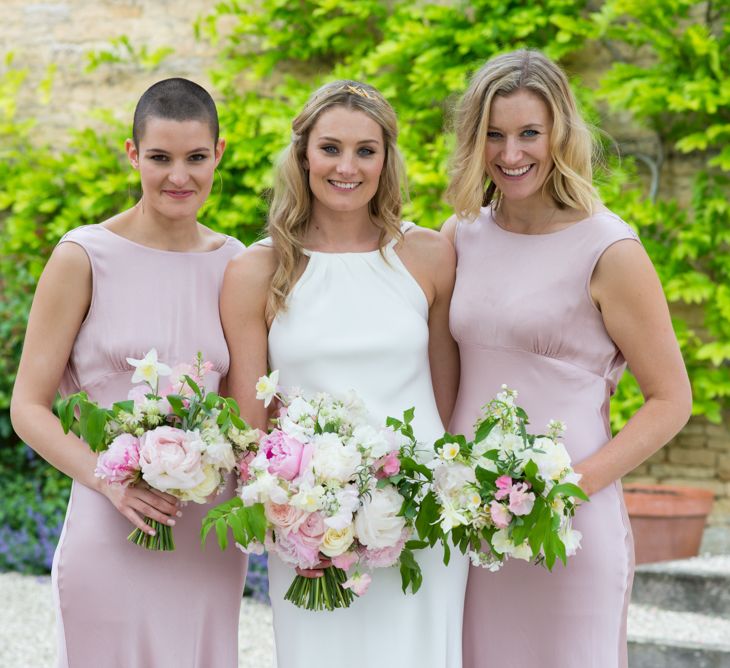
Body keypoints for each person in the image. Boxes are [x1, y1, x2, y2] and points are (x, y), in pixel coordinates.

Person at [441, 49, 692, 667]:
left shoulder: (609, 247)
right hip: (471, 533)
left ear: (561, 134)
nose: (511, 153)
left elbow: (670, 400)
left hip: (567, 529)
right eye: (494, 135)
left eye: (530, 133)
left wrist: (567, 489)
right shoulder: (458, 236)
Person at [222, 80, 469, 668]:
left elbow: (447, 396)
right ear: (303, 153)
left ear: (386, 160)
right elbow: (249, 424)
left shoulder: (429, 256)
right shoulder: (256, 270)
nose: (347, 167)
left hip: (420, 518)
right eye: (330, 148)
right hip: (311, 530)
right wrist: (292, 508)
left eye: (366, 150)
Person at [10, 78, 247, 668]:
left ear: (218, 154)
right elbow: (28, 407)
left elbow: (246, 407)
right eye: (160, 158)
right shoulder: (83, 257)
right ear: (133, 153)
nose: (179, 177)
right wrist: (109, 479)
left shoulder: (236, 263)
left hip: (204, 540)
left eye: (196, 158)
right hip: (107, 522)